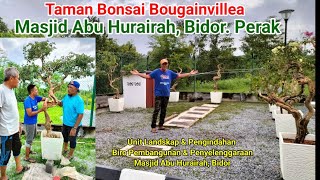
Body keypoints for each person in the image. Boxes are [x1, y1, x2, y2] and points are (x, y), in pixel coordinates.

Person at [130, 58, 198, 133]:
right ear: (161, 65)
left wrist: (189, 74)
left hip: (166, 94)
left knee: (164, 110)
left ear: (167, 64)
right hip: (158, 94)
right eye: (163, 64)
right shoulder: (156, 72)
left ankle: (161, 125)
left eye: (166, 64)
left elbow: (179, 75)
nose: (165, 65)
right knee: (157, 110)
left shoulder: (170, 72)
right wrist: (138, 74)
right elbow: (148, 77)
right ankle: (153, 127)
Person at [0, 67, 29, 180]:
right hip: (5, 131)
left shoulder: (11, 90)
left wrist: (18, 124)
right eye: (18, 78)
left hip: (14, 129)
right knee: (5, 155)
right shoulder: (1, 90)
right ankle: (3, 177)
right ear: (11, 78)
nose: (19, 80)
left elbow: (12, 110)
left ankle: (19, 167)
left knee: (17, 148)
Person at [58, 80, 84, 160]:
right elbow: (62, 103)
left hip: (74, 125)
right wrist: (58, 102)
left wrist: (75, 128)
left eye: (71, 87)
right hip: (65, 123)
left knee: (72, 140)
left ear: (76, 89)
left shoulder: (79, 101)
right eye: (68, 87)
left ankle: (70, 154)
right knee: (65, 137)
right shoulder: (67, 96)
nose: (68, 89)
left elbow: (80, 114)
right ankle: (65, 149)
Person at [23, 84, 48, 163]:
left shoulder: (36, 98)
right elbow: (29, 113)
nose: (37, 91)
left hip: (34, 122)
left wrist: (46, 102)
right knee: (29, 139)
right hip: (29, 123)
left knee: (33, 136)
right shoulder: (28, 100)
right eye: (36, 90)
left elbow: (46, 98)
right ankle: (26, 157)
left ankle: (29, 150)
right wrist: (41, 109)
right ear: (32, 91)